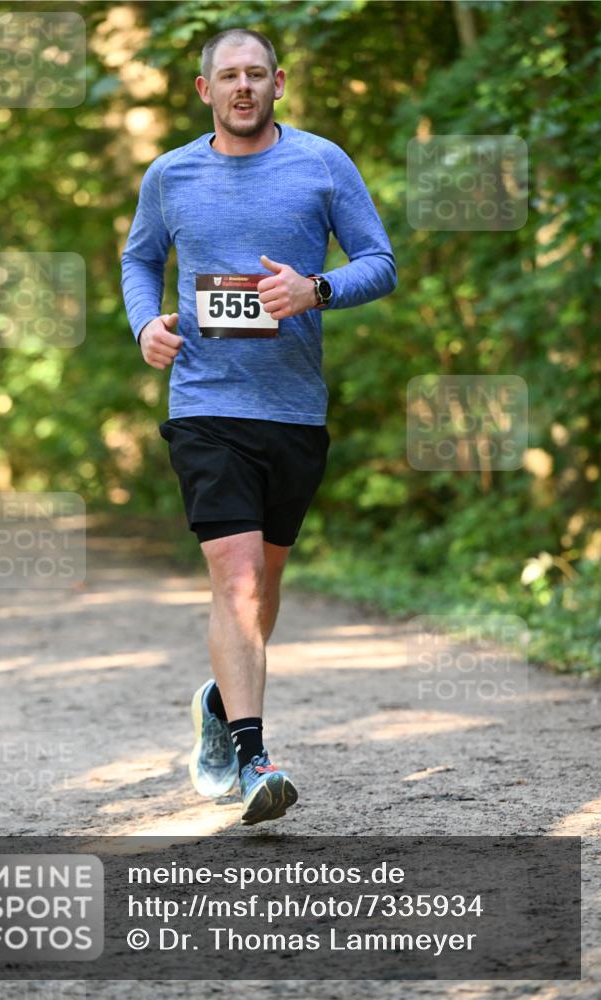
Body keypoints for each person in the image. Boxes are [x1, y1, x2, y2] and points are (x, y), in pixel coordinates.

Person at [121, 28, 397, 825]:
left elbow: (379, 261)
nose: (242, 87)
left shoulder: (321, 162)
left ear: (277, 83)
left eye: (255, 74)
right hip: (205, 405)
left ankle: (219, 696)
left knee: (261, 593)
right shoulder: (169, 174)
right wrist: (146, 324)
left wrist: (317, 289)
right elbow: (141, 260)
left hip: (293, 410)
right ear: (203, 90)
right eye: (226, 76)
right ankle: (252, 759)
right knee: (236, 583)